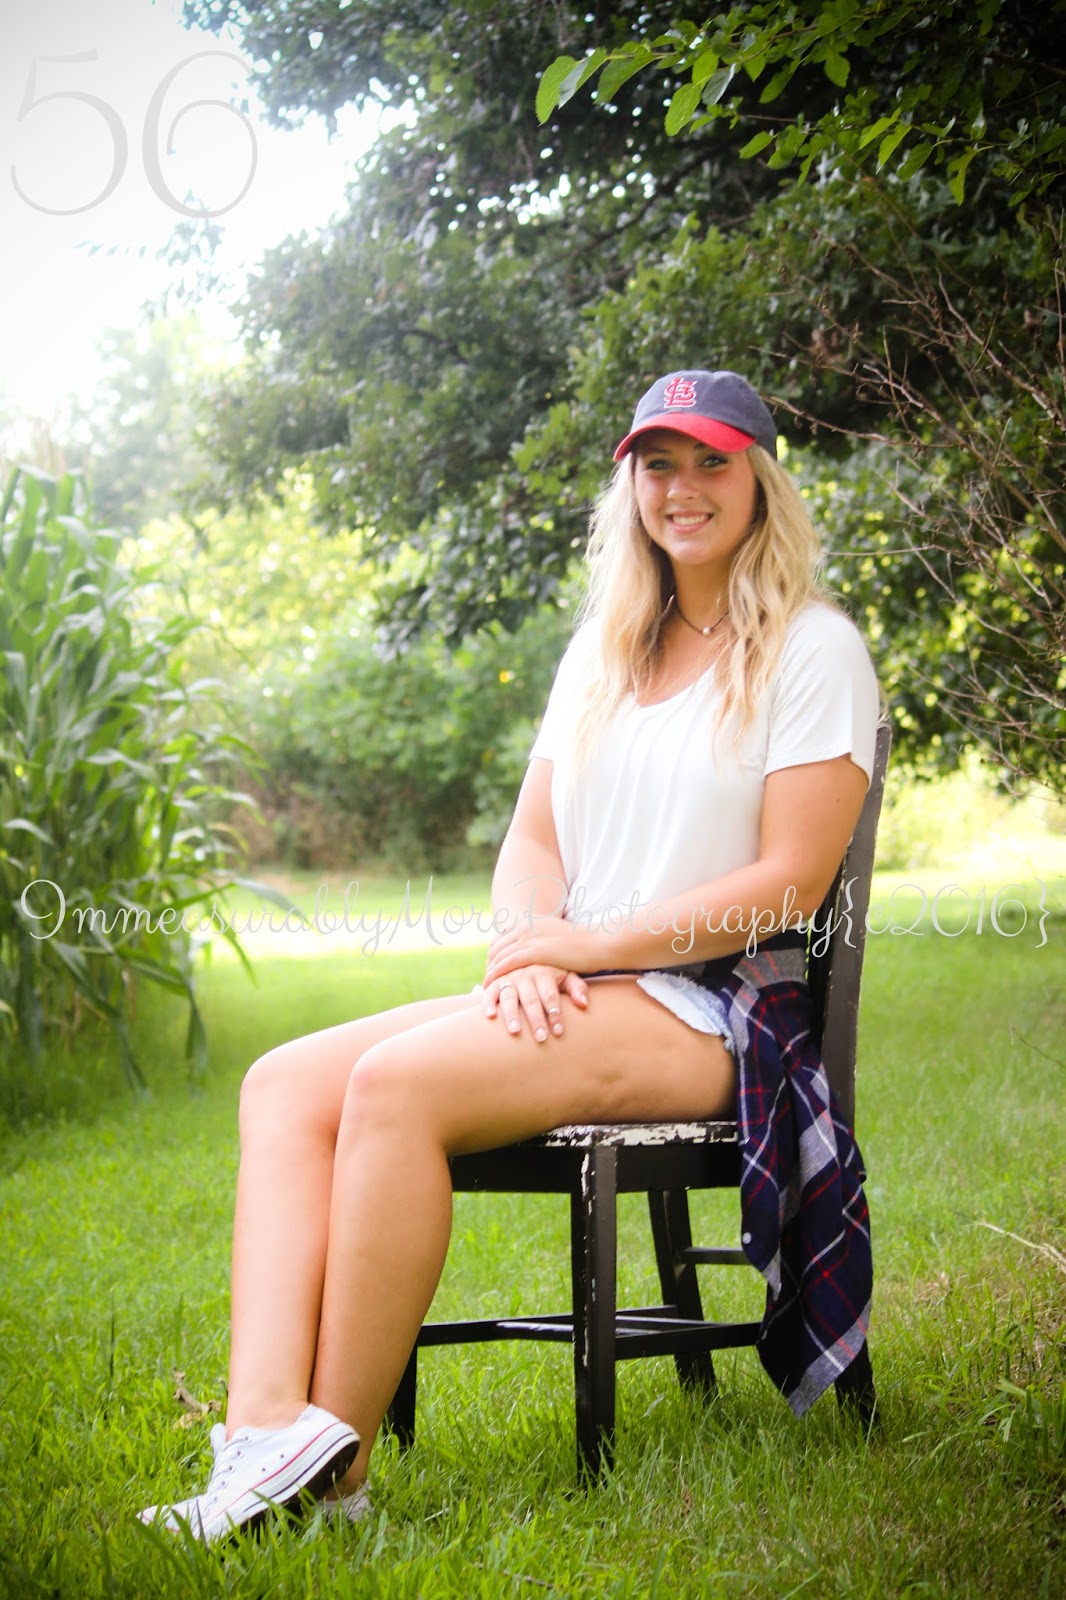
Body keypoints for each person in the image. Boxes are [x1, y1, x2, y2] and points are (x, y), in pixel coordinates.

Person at [140, 369, 880, 1542]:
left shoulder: (813, 648)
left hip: (715, 1010)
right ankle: (260, 1442)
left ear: (760, 480)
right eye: (658, 464)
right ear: (631, 485)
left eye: (712, 462)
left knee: (396, 1085)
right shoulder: (605, 647)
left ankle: (337, 1483)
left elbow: (788, 881)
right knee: (282, 1083)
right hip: (584, 984)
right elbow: (533, 840)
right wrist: (528, 950)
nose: (682, 488)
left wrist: (581, 943)